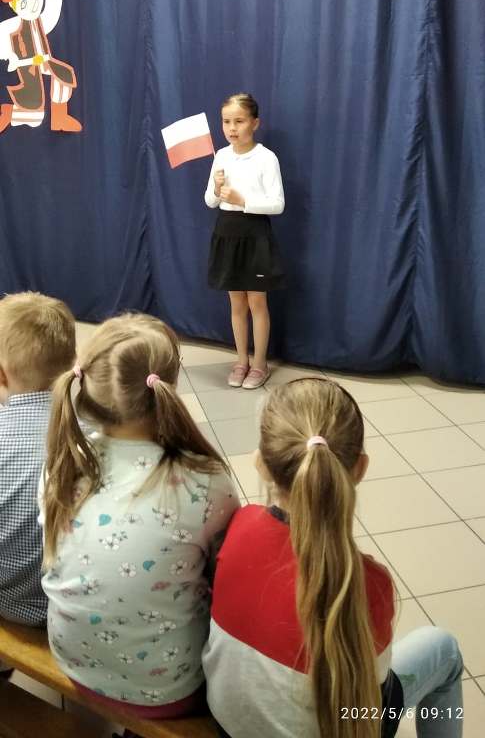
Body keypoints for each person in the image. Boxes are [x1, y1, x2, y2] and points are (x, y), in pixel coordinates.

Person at [202, 378, 464, 738]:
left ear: (260, 463)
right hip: (340, 722)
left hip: (227, 725)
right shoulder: (369, 584)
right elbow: (370, 697)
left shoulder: (238, 527)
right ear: (360, 468)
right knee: (444, 650)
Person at [40, 313, 239, 721]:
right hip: (167, 690)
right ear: (168, 386)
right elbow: (223, 573)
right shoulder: (205, 480)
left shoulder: (62, 462)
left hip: (73, 661)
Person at [0, 291, 76, 629]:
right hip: (72, 611)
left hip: (9, 605)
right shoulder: (96, 437)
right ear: (72, 365)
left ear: (2, 375)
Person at [205, 93, 284, 390]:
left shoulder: (266, 158)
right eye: (226, 121)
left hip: (255, 235)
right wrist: (217, 188)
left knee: (257, 302)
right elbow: (210, 201)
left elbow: (277, 204)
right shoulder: (221, 156)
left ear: (255, 123)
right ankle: (241, 361)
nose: (232, 128)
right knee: (236, 303)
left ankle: (259, 364)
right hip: (227, 233)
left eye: (239, 121)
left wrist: (243, 201)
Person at [0, 0, 82, 133]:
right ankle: (9, 113)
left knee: (63, 76)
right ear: (13, 6)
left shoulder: (40, 20)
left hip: (43, 61)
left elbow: (52, 8)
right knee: (35, 116)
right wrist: (14, 59)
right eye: (24, 2)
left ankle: (59, 116)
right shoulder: (11, 28)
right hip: (28, 69)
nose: (32, 0)